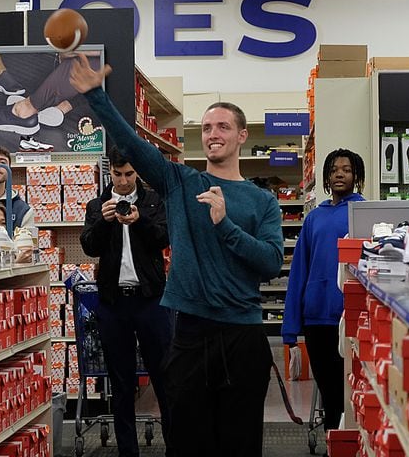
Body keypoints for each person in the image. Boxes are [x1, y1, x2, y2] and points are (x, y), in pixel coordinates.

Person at [69, 54, 284, 456]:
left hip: (243, 336)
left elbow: (270, 262)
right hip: (190, 335)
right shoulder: (180, 182)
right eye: (206, 127)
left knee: (240, 443)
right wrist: (96, 96)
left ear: (241, 135)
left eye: (223, 125)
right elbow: (133, 143)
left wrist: (225, 225)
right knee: (186, 441)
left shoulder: (262, 201)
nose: (213, 132)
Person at [80, 146, 173, 457]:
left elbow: (163, 237)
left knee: (164, 379)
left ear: (137, 173)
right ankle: (127, 452)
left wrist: (140, 220)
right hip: (113, 303)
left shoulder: (152, 200)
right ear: (110, 172)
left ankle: (175, 447)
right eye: (117, 174)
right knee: (121, 384)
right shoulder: (97, 205)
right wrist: (105, 221)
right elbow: (90, 247)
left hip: (150, 301)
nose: (122, 181)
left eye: (129, 174)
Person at [282, 149, 366, 431]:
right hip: (317, 320)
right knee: (331, 395)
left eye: (346, 169)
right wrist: (290, 329)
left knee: (351, 394)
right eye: (334, 170)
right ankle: (335, 443)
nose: (340, 173)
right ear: (327, 177)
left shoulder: (362, 212)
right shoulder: (314, 219)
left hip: (352, 319)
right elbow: (298, 274)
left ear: (356, 176)